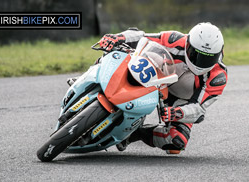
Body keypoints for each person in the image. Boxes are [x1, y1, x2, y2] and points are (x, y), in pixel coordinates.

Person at [70, 22, 228, 154]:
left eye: (208, 58)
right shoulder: (175, 39)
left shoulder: (218, 77)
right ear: (188, 43)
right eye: (196, 54)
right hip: (157, 76)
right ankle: (87, 78)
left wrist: (179, 112)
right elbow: (141, 36)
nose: (200, 62)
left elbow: (199, 109)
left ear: (219, 54)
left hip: (182, 100)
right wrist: (118, 37)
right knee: (118, 51)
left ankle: (132, 134)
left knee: (176, 141)